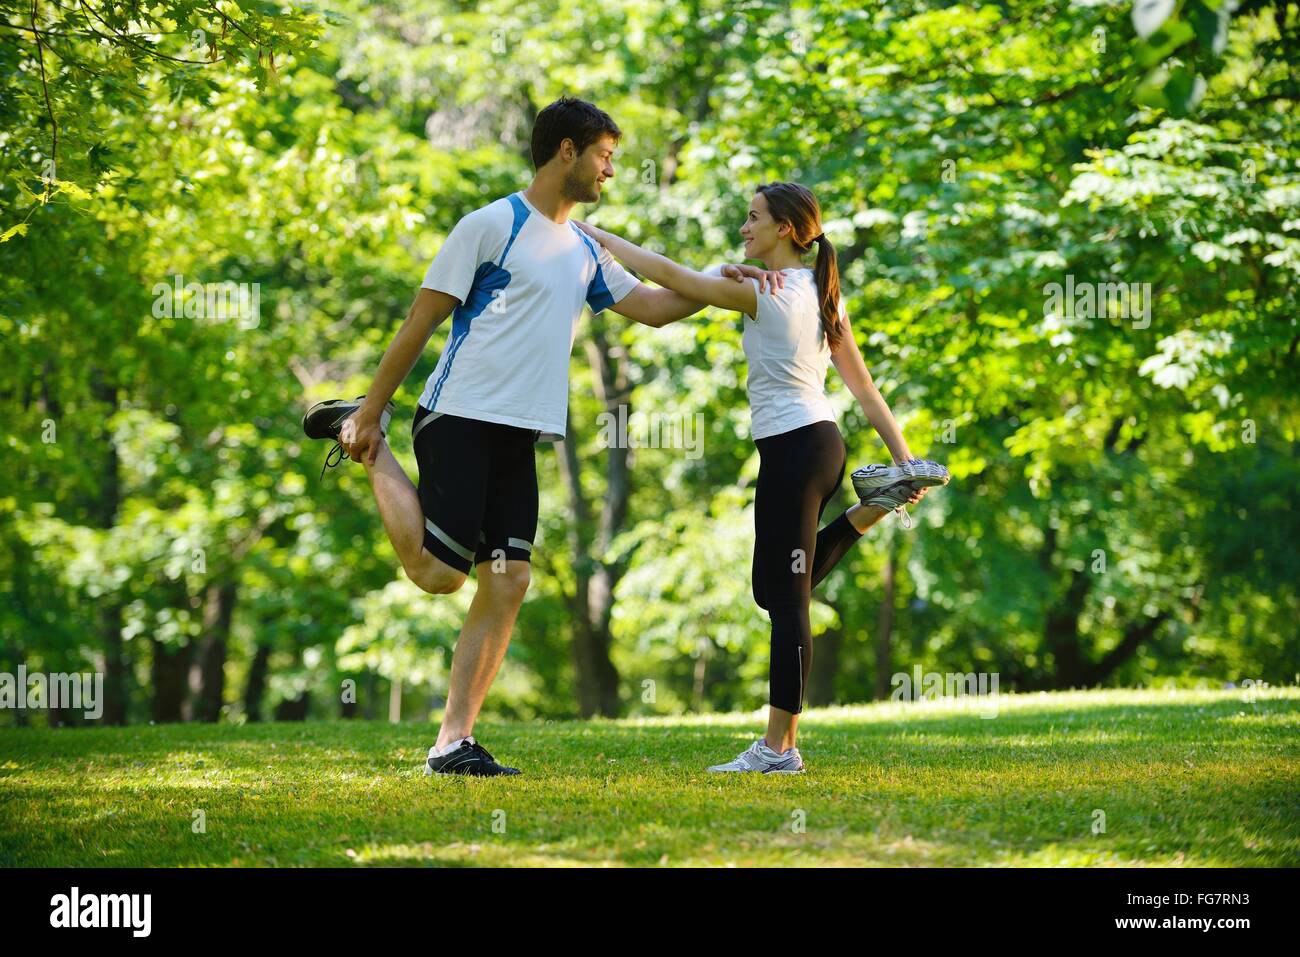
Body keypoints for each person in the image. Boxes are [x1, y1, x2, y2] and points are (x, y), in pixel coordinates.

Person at [302, 98, 744, 775]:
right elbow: (419, 323)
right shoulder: (491, 225)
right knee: (438, 573)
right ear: (565, 150)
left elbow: (654, 308)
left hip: (521, 432)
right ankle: (367, 438)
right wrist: (372, 408)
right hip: (460, 415)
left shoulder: (587, 248)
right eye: (604, 156)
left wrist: (719, 283)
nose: (610, 171)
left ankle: (453, 742)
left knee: (508, 582)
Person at [574, 182, 950, 773]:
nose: (744, 227)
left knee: (787, 602)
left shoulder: (768, 296)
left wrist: (595, 235)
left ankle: (780, 748)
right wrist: (902, 458)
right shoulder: (815, 293)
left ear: (784, 230)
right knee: (770, 590)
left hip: (795, 449)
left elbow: (672, 278)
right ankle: (875, 503)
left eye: (753, 219)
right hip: (817, 445)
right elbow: (864, 388)